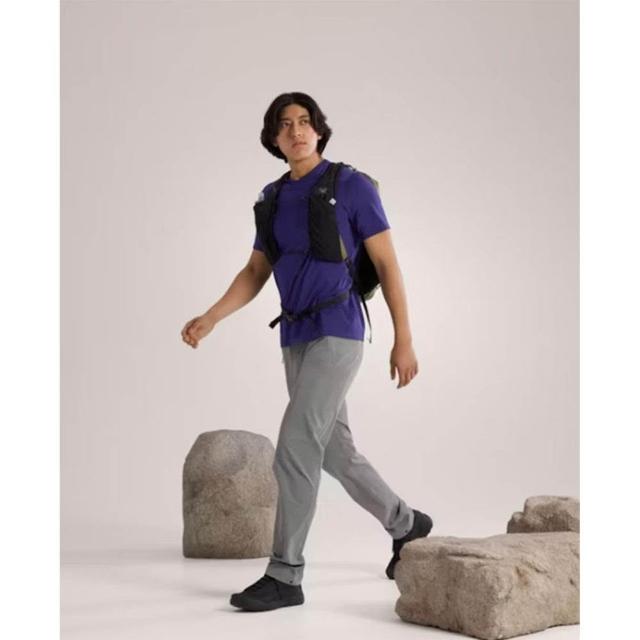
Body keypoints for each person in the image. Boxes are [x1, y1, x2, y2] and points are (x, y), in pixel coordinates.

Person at [180, 92, 433, 612]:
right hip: (295, 337)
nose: (296, 131)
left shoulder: (351, 186)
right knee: (335, 452)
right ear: (273, 138)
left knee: (295, 446)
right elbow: (256, 271)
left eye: (304, 122)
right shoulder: (272, 198)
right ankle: (407, 524)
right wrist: (212, 316)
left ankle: (285, 575)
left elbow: (388, 263)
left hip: (338, 331)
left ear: (319, 130)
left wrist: (403, 338)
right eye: (284, 124)